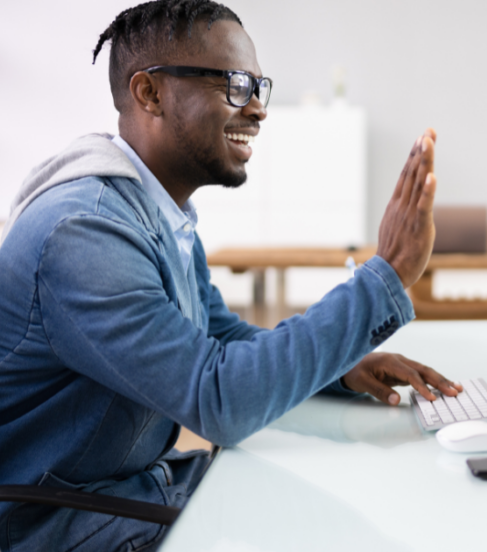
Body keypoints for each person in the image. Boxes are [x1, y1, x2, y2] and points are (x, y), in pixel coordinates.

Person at [0, 2, 463, 550]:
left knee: (337, 499)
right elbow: (218, 398)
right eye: (236, 84)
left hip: (132, 486)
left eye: (258, 85)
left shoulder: (157, 212)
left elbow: (222, 339)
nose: (259, 109)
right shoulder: (85, 233)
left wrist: (341, 366)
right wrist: (386, 275)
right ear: (150, 93)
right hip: (55, 518)